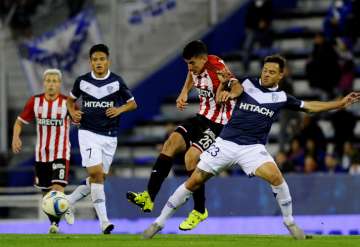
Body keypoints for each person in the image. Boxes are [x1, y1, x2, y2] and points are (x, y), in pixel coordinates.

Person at [142, 54, 360, 239]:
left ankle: (290, 223)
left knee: (277, 179)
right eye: (265, 70)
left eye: (272, 72)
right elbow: (233, 88)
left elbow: (310, 107)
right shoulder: (246, 83)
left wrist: (340, 103)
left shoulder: (282, 97)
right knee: (194, 181)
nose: (266, 74)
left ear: (281, 75)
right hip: (226, 143)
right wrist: (228, 91)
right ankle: (158, 224)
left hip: (252, 149)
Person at [126, 40, 240, 231]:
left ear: (203, 59)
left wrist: (231, 94)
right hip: (202, 117)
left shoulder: (217, 66)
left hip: (219, 124)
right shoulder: (195, 68)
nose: (189, 67)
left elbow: (235, 85)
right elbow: (190, 74)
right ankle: (148, 198)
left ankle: (199, 210)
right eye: (187, 63)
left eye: (192, 63)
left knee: (191, 157)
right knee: (170, 143)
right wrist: (184, 92)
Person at [66, 44, 137, 234]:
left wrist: (119, 109)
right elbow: (70, 100)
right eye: (95, 60)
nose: (98, 63)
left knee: (98, 178)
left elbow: (132, 104)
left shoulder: (117, 81)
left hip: (110, 137)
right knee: (96, 174)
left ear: (108, 61)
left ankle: (67, 202)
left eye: (102, 59)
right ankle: (104, 222)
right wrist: (72, 112)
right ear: (90, 62)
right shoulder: (81, 82)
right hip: (88, 133)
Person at [11, 69, 74, 234]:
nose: (51, 84)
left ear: (59, 84)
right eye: (48, 81)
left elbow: (81, 120)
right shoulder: (35, 101)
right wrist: (15, 138)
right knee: (46, 194)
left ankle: (57, 219)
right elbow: (19, 122)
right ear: (44, 83)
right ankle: (58, 217)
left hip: (61, 152)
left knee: (57, 187)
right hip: (41, 155)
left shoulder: (67, 102)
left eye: (55, 81)